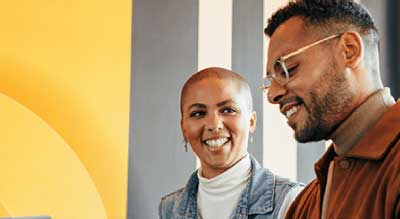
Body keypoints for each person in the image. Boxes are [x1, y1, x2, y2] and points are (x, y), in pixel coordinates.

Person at [263, 0, 400, 219]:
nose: (272, 94)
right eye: (270, 80)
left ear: (349, 51)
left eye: (288, 69)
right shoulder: (306, 202)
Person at [159, 67, 303, 219]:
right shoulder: (170, 208)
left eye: (228, 110)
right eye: (198, 113)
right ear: (184, 128)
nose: (214, 125)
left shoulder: (291, 200)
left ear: (251, 121)